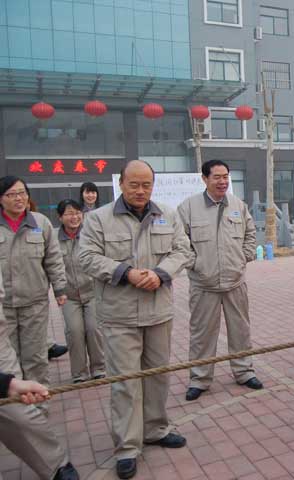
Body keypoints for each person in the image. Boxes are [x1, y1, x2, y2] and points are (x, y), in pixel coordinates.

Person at [78, 160, 191, 479]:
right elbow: (85, 257)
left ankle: (155, 429)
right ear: (121, 185)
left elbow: (184, 251)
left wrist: (161, 273)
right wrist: (124, 273)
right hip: (119, 315)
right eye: (134, 185)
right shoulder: (99, 219)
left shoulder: (168, 214)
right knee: (125, 381)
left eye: (146, 185)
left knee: (158, 375)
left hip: (158, 311)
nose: (141, 191)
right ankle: (127, 446)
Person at [177, 160, 262, 402]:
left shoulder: (239, 206)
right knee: (202, 334)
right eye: (217, 177)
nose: (223, 181)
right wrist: (195, 264)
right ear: (204, 179)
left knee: (241, 330)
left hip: (236, 282)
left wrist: (242, 258)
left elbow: (250, 235)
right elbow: (180, 242)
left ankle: (244, 371)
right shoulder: (188, 208)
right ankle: (200, 379)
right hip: (203, 286)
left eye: (226, 176)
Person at [0, 269, 79, 480]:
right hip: (9, 310)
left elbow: (52, 259)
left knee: (16, 409)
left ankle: (55, 466)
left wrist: (6, 384)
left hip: (8, 330)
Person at [0, 176, 67, 389]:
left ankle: (38, 408)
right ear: (1, 199)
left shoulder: (41, 223)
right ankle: (16, 410)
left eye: (22, 193)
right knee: (8, 359)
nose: (18, 198)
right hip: (4, 308)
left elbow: (53, 259)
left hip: (35, 304)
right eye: (12, 194)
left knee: (36, 358)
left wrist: (59, 288)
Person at [56, 199, 105, 384]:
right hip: (69, 296)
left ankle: (99, 368)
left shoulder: (89, 235)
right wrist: (57, 290)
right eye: (69, 213)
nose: (74, 217)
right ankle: (79, 373)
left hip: (92, 292)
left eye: (77, 213)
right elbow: (51, 264)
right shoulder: (54, 238)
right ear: (60, 217)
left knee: (94, 329)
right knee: (74, 332)